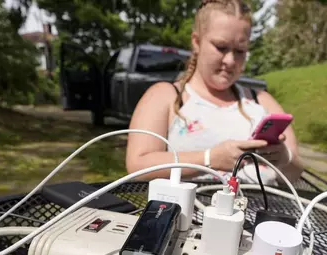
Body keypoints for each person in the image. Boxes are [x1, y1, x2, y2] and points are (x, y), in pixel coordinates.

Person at [125, 0, 303, 186]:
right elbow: (138, 164)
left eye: (240, 51)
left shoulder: (261, 101)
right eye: (221, 47)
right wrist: (210, 159)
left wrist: (285, 158)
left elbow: (295, 173)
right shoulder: (165, 96)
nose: (230, 60)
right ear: (196, 42)